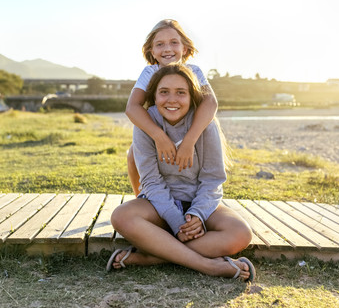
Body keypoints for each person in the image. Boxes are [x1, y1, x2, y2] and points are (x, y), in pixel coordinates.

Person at [109, 64, 255, 282]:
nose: (172, 99)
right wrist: (178, 225)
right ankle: (208, 266)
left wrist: (197, 214)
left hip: (199, 201)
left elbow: (212, 179)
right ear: (154, 96)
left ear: (191, 96)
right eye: (164, 92)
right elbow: (151, 182)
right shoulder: (145, 124)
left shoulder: (205, 125)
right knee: (121, 216)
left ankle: (154, 256)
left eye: (181, 93)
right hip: (159, 205)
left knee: (241, 233)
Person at [126, 19, 218, 196]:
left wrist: (189, 140)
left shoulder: (194, 71)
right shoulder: (149, 72)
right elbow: (132, 108)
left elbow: (210, 103)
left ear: (184, 48)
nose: (167, 48)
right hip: (158, 129)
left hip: (191, 130)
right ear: (152, 51)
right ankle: (141, 196)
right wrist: (159, 137)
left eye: (174, 42)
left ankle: (202, 198)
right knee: (132, 153)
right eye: (160, 44)